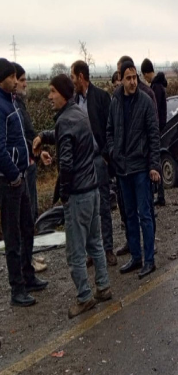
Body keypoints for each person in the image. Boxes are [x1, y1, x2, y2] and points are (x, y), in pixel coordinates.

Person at [43, 74, 112, 318]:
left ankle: (84, 297)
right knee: (95, 243)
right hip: (92, 190)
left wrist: (64, 195)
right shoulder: (79, 114)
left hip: (78, 194)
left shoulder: (65, 121)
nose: (49, 96)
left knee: (75, 253)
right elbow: (73, 140)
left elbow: (67, 164)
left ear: (63, 93)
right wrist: (44, 135)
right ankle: (103, 287)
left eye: (52, 91)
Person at [106, 61, 161, 279]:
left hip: (140, 168)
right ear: (121, 78)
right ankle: (136, 256)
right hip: (122, 169)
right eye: (128, 78)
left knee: (144, 214)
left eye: (134, 78)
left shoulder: (146, 102)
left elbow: (154, 136)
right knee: (128, 215)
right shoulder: (116, 101)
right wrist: (113, 152)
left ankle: (149, 260)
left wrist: (154, 165)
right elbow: (109, 130)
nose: (132, 82)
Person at [0, 58, 48, 307]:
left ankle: (28, 276)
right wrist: (14, 175)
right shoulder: (1, 106)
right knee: (13, 236)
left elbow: (21, 139)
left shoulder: (13, 103)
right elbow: (0, 149)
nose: (15, 80)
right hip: (9, 182)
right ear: (3, 79)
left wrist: (35, 153)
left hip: (21, 173)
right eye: (11, 77)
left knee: (28, 227)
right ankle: (17, 289)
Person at [69, 60, 118, 267]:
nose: (72, 82)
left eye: (72, 77)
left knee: (103, 206)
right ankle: (92, 252)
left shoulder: (100, 97)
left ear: (81, 77)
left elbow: (111, 126)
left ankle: (107, 249)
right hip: (81, 164)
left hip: (99, 160)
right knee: (87, 209)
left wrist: (107, 155)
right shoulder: (73, 101)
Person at [12, 63, 46, 273]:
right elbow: (22, 136)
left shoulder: (20, 104)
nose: (25, 84)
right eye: (22, 80)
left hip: (31, 162)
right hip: (22, 167)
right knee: (24, 218)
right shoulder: (10, 106)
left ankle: (29, 259)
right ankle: (27, 264)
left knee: (30, 214)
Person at [141, 59, 167, 207]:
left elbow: (154, 112)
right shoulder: (160, 85)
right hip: (161, 128)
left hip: (156, 129)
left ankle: (160, 195)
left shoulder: (156, 87)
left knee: (155, 161)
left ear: (146, 73)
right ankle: (160, 194)